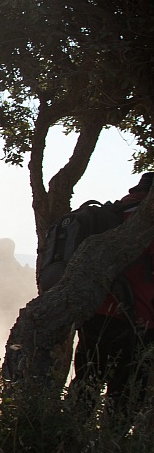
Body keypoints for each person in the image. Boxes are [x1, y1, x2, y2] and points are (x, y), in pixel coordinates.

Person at [72, 173, 154, 423]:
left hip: (96, 314)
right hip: (138, 320)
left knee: (85, 385)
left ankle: (68, 443)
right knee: (126, 397)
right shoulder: (145, 219)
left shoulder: (114, 213)